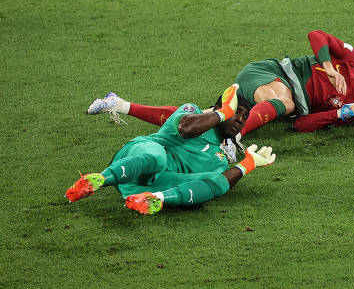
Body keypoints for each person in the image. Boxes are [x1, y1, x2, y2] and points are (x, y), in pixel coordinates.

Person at [87, 31, 354, 139]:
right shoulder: (352, 64)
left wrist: (339, 116)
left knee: (201, 120)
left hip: (263, 100)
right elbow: (317, 35)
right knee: (285, 101)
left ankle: (118, 104)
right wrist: (327, 65)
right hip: (269, 73)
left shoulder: (353, 111)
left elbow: (301, 125)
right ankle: (237, 139)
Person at [67, 84, 276, 215]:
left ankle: (156, 199)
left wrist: (249, 163)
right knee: (157, 158)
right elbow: (186, 129)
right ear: (218, 109)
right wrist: (224, 112)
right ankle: (100, 179)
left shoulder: (219, 159)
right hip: (141, 153)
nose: (240, 120)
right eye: (236, 112)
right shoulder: (190, 111)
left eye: (244, 117)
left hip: (149, 184)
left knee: (218, 181)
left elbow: (218, 183)